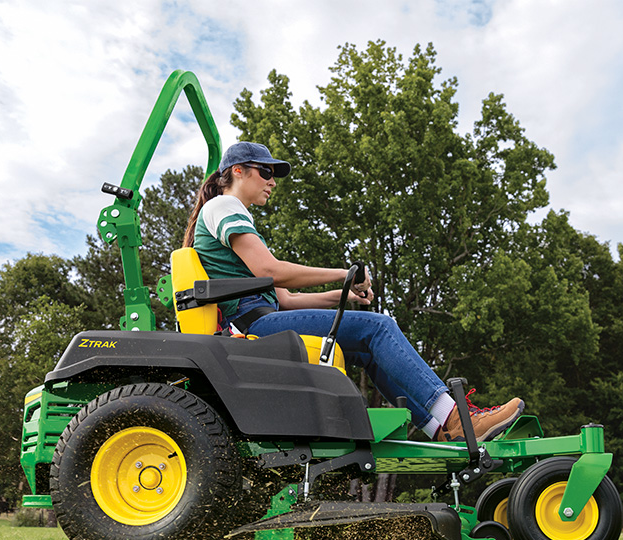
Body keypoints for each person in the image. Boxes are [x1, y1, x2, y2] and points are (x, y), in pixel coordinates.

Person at [182, 141, 524, 442]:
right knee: (379, 328)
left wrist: (345, 294)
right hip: (252, 325)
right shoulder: (224, 207)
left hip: (262, 320)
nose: (272, 181)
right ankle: (457, 418)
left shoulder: (230, 215)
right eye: (266, 172)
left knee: (369, 348)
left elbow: (285, 300)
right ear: (238, 171)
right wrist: (345, 273)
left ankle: (440, 428)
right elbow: (269, 271)